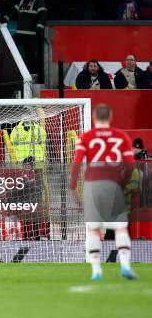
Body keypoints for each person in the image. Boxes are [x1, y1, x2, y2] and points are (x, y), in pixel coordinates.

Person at [69, 104, 137, 280]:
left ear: (94, 117)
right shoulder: (121, 137)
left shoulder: (86, 137)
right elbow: (130, 164)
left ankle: (96, 270)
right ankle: (125, 265)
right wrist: (121, 182)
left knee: (93, 229)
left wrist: (72, 186)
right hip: (112, 184)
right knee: (121, 228)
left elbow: (76, 164)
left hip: (93, 185)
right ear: (110, 116)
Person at [4, 0, 47, 81]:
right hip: (20, 33)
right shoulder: (22, 0)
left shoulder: (38, 0)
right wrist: (6, 18)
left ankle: (33, 79)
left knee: (31, 58)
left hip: (31, 35)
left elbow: (43, 15)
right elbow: (13, 10)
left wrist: (40, 26)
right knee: (8, 47)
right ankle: (12, 73)